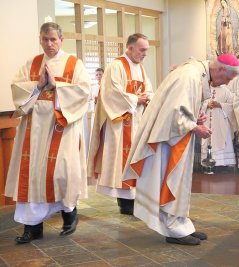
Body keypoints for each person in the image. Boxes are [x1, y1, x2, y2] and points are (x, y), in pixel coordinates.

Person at [122, 53, 239, 246]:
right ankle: (173, 228)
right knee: (173, 181)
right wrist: (195, 126)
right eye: (226, 79)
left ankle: (181, 224)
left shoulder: (197, 74)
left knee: (179, 182)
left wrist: (194, 119)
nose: (223, 84)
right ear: (220, 70)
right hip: (168, 140)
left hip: (176, 136)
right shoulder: (190, 75)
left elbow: (182, 107)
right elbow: (174, 112)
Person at [5, 22, 90, 243]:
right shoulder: (32, 63)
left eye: (53, 39)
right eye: (45, 39)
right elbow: (17, 88)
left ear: (61, 40)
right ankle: (32, 228)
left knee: (60, 173)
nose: (49, 44)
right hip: (33, 130)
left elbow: (84, 92)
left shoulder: (74, 63)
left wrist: (57, 87)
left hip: (61, 127)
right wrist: (37, 84)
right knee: (32, 176)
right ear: (40, 40)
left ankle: (69, 212)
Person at [87, 33, 153, 215]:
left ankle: (134, 199)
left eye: (146, 50)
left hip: (136, 123)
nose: (145, 54)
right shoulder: (116, 65)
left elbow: (148, 89)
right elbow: (110, 93)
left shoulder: (140, 68)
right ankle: (125, 203)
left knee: (134, 160)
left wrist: (148, 98)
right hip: (120, 124)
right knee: (121, 164)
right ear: (130, 48)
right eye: (142, 50)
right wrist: (135, 100)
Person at [200, 84, 236, 168]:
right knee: (208, 139)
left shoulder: (226, 90)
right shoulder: (205, 89)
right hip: (207, 119)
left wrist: (220, 105)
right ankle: (207, 163)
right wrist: (206, 105)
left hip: (221, 121)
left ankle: (222, 164)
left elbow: (232, 104)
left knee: (221, 139)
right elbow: (198, 103)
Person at [84, 67, 104, 154]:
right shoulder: (92, 88)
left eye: (100, 74)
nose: (98, 76)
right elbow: (89, 101)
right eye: (97, 75)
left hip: (105, 113)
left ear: (104, 75)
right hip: (95, 113)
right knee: (95, 134)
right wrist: (95, 101)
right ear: (95, 77)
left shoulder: (107, 87)